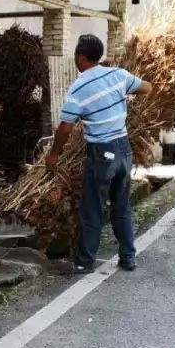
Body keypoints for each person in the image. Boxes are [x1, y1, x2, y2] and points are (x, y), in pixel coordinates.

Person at [43, 34, 153, 274]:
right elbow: (147, 87)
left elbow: (65, 128)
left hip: (102, 153)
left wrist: (53, 154)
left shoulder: (78, 88)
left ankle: (84, 261)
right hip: (124, 150)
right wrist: (126, 95)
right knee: (121, 207)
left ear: (81, 58)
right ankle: (128, 257)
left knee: (92, 208)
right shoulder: (118, 75)